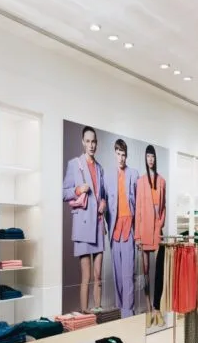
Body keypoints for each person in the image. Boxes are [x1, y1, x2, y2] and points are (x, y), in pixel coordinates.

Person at [62, 126, 107, 312]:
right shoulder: (75, 164)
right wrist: (78, 189)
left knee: (98, 276)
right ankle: (84, 317)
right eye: (88, 141)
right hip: (83, 225)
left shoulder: (100, 168)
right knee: (86, 277)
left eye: (93, 141)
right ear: (83, 142)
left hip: (97, 224)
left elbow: (102, 195)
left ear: (97, 143)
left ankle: (98, 314)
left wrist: (103, 202)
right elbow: (64, 193)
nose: (91, 145)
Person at [104, 139, 138, 317]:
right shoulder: (108, 176)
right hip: (115, 229)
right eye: (118, 154)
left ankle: (128, 314)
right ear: (114, 154)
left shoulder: (134, 174)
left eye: (123, 155)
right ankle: (121, 311)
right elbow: (103, 201)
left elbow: (139, 205)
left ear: (127, 156)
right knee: (117, 275)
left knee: (128, 274)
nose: (121, 158)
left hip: (129, 228)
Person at [135, 145, 166, 325]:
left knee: (158, 271)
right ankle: (148, 310)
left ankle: (157, 308)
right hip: (144, 230)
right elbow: (138, 209)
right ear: (145, 159)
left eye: (152, 156)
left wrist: (160, 223)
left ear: (155, 158)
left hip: (157, 230)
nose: (150, 159)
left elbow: (163, 207)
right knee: (145, 271)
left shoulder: (162, 181)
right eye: (148, 156)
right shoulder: (140, 181)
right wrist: (137, 236)